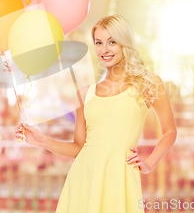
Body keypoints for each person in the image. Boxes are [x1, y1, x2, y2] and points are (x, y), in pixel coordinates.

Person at [14, 15, 177, 212]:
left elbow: (170, 131)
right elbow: (79, 147)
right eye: (99, 43)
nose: (104, 49)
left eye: (112, 42)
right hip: (83, 178)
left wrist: (149, 163)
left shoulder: (148, 83)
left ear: (125, 43)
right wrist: (42, 141)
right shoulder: (84, 93)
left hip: (120, 177)